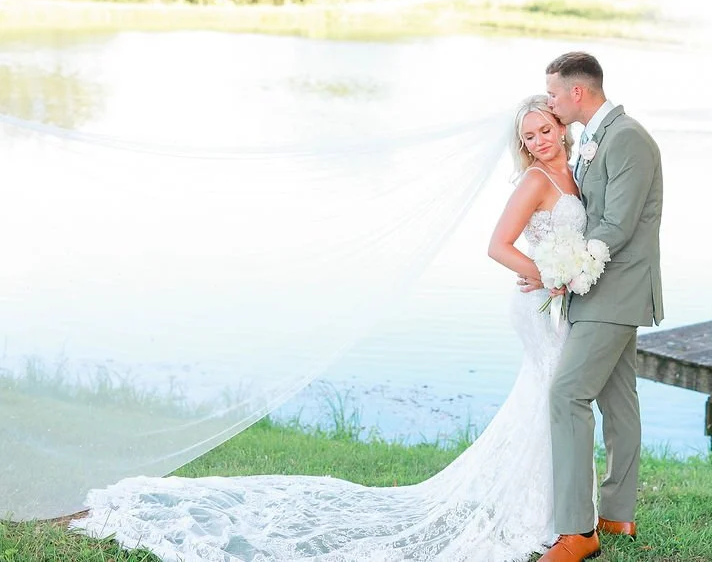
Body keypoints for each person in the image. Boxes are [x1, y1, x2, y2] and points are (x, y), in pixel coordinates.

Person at [72, 95, 587, 562]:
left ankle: (555, 508)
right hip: (541, 304)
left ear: (562, 126)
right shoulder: (534, 181)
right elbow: (497, 247)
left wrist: (568, 272)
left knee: (549, 400)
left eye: (545, 130)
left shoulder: (577, 171)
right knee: (549, 397)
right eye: (529, 136)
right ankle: (544, 515)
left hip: (559, 301)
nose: (539, 141)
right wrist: (549, 275)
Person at [527, 52, 663, 562]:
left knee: (567, 394)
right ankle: (617, 515)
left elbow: (618, 224)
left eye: (554, 94)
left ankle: (578, 531)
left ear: (577, 93)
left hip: (614, 290)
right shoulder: (593, 139)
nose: (550, 103)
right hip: (599, 289)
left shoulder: (627, 138)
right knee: (618, 401)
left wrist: (566, 270)